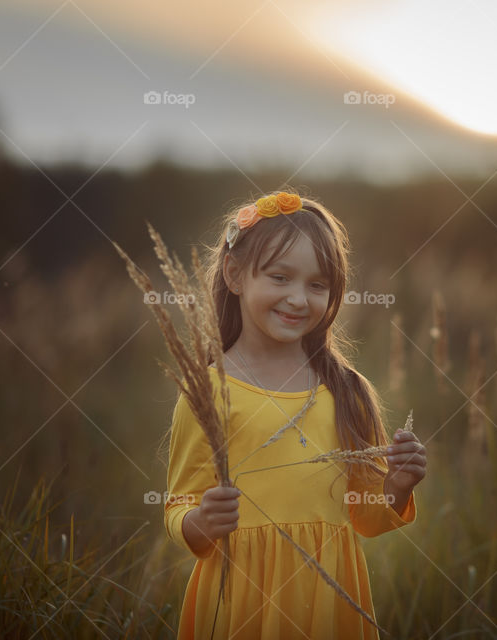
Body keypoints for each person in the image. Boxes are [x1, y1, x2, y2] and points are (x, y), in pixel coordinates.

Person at [164, 189, 427, 639]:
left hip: (328, 597)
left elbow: (366, 517)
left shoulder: (348, 390)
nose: (298, 299)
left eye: (317, 284)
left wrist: (397, 487)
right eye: (280, 277)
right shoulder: (207, 393)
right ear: (234, 274)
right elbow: (178, 504)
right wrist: (200, 523)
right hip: (240, 593)